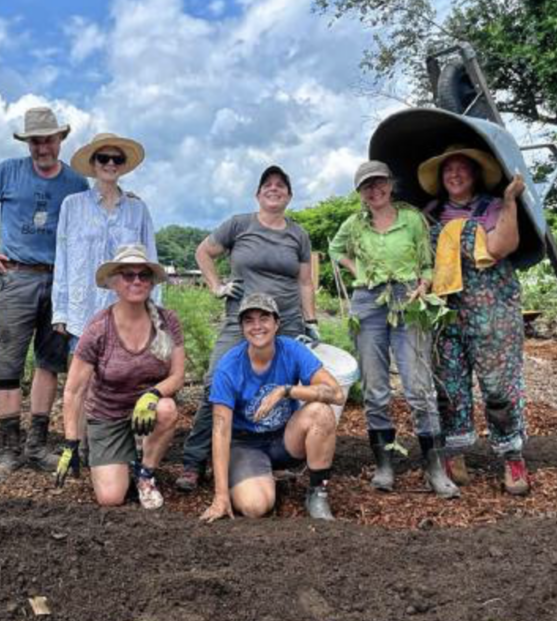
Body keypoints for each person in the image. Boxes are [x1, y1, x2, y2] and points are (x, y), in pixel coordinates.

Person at [176, 165, 319, 492]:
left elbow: (305, 281)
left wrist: (310, 323)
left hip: (285, 321)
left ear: (289, 196)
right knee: (217, 382)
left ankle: (284, 456)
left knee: (286, 386)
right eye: (267, 185)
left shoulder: (298, 234)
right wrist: (216, 286)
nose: (274, 189)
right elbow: (204, 252)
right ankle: (194, 462)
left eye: (281, 185)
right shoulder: (240, 225)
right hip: (242, 320)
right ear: (257, 194)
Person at [0, 107, 89, 483]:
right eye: (36, 140)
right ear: (28, 143)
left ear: (60, 140)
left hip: (58, 279)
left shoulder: (76, 182)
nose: (42, 147)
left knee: (49, 361)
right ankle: (9, 449)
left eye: (48, 139)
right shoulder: (7, 172)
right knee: (6, 363)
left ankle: (36, 446)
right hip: (15, 275)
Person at [329, 161, 459, 498]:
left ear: (390, 183)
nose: (375, 191)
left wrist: (425, 283)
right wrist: (356, 269)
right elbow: (334, 249)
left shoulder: (411, 219)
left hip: (407, 298)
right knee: (375, 388)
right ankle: (384, 466)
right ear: (360, 193)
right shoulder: (355, 225)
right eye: (367, 187)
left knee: (419, 387)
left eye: (379, 183)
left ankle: (434, 469)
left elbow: (427, 262)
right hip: (368, 302)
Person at [417, 144, 530, 495]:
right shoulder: (430, 215)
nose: (454, 174)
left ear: (476, 174)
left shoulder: (492, 207)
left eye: (462, 168)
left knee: (498, 390)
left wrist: (511, 201)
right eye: (447, 169)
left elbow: (500, 247)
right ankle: (455, 455)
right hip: (447, 314)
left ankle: (513, 457)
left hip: (493, 314)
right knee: (449, 388)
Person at [52, 133, 158, 462]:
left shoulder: (138, 209)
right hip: (84, 308)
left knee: (129, 379)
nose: (110, 164)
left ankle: (131, 450)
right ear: (93, 164)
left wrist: (156, 310)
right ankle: (80, 450)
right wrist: (60, 311)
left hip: (129, 311)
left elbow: (150, 257)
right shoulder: (73, 206)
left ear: (123, 166)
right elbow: (64, 256)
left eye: (117, 159)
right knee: (80, 384)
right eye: (103, 159)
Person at [56, 245, 185, 509]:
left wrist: (151, 394)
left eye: (143, 275)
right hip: (108, 414)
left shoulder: (167, 321)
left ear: (151, 282)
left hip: (148, 411)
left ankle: (145, 474)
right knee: (111, 498)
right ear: (114, 282)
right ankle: (117, 454)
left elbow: (178, 375)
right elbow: (73, 390)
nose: (136, 281)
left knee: (167, 408)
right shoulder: (98, 329)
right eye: (128, 275)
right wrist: (70, 442)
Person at [199, 293, 343, 522]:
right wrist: (220, 496)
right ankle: (261, 476)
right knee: (256, 508)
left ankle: (317, 492)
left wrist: (287, 390)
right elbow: (220, 431)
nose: (257, 326)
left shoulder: (292, 350)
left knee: (320, 412)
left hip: (284, 439)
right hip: (245, 444)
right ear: (242, 328)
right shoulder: (228, 367)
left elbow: (336, 393)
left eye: (264, 318)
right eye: (249, 320)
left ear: (277, 323)